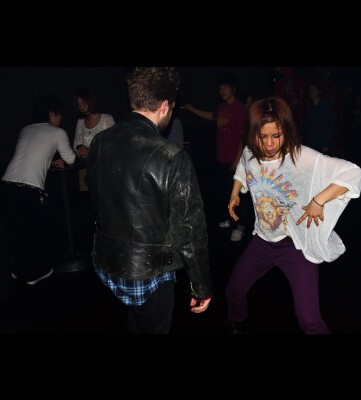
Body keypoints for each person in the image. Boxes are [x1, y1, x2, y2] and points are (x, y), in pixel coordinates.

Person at [85, 67, 212, 334]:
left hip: (107, 263)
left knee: (135, 320)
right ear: (165, 106)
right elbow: (190, 230)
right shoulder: (172, 157)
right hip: (146, 272)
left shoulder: (99, 141)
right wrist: (201, 286)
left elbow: (94, 194)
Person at [225, 96, 361, 334]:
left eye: (276, 135)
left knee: (309, 320)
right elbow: (242, 167)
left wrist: (318, 200)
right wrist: (235, 192)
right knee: (233, 291)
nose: (269, 143)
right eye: (262, 136)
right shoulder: (250, 152)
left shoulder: (301, 157)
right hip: (262, 242)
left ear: (286, 131)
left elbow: (353, 172)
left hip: (295, 248)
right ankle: (237, 325)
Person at [1, 95, 76, 285]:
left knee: (16, 232)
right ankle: (35, 274)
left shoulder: (26, 129)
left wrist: (50, 162)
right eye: (59, 115)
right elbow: (71, 159)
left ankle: (18, 270)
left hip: (6, 183)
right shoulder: (57, 132)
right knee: (36, 231)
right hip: (29, 188)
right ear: (52, 114)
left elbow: (28, 156)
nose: (61, 119)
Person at [182, 73, 248, 241]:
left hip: (235, 160)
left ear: (233, 89)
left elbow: (244, 138)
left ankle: (240, 226)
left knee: (238, 195)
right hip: (222, 158)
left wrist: (237, 160)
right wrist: (192, 109)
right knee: (226, 193)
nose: (222, 91)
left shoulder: (240, 109)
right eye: (220, 88)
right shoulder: (222, 107)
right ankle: (231, 219)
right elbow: (212, 116)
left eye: (225, 87)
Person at [73, 88, 115, 191]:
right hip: (86, 168)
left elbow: (113, 144)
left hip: (104, 168)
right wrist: (81, 148)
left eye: (83, 103)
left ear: (90, 101)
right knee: (87, 198)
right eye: (79, 105)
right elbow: (76, 144)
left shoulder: (107, 119)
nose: (81, 107)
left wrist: (90, 149)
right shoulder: (80, 121)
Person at [302, 82, 335, 155]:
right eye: (310, 90)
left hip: (321, 144)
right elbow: (307, 125)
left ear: (319, 91)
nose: (312, 92)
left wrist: (326, 144)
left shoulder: (326, 107)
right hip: (311, 143)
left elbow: (330, 126)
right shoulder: (309, 107)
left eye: (314, 90)